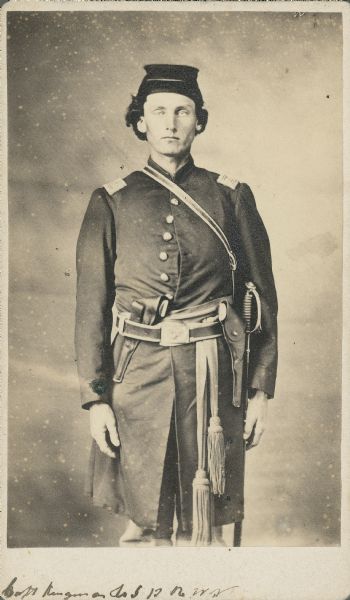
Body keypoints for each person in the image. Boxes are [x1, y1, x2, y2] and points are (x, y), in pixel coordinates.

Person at [75, 64, 278, 546]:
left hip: (210, 377)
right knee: (143, 523)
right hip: (135, 376)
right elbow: (91, 309)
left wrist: (260, 391)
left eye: (182, 111)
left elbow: (262, 298)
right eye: (158, 111)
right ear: (140, 121)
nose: (170, 122)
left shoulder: (231, 196)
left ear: (199, 121)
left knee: (202, 525)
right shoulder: (111, 201)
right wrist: (95, 398)